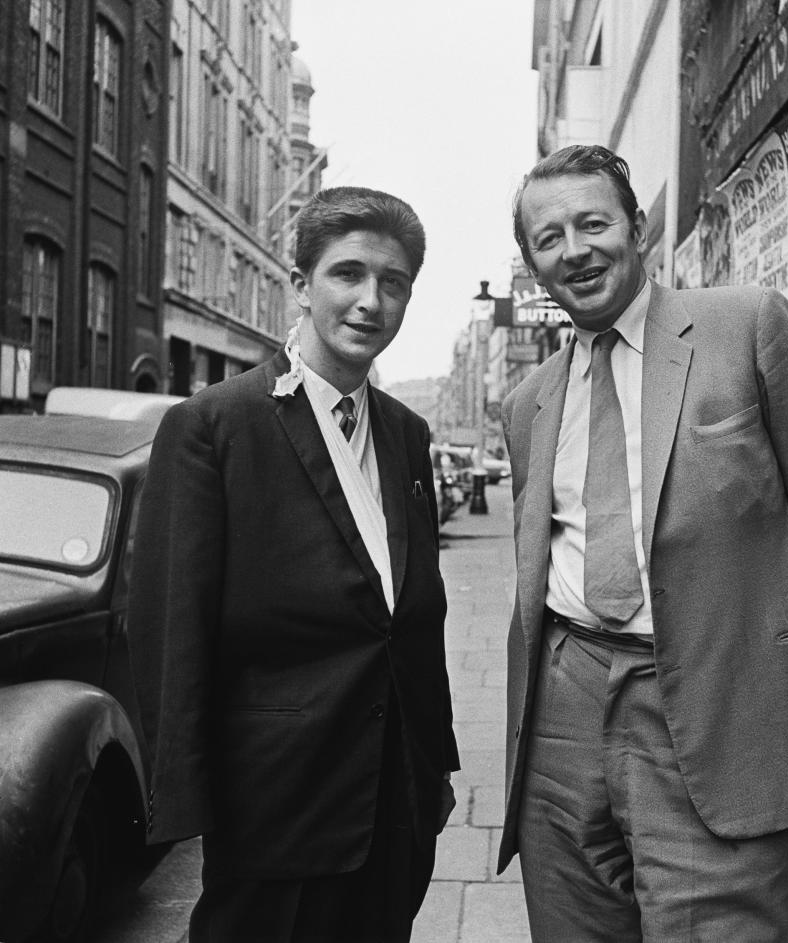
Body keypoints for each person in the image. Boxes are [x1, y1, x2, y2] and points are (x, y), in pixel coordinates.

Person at [497, 145, 788, 941]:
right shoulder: (528, 401)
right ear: (532, 263)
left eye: (593, 223)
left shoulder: (747, 325)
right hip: (564, 704)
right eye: (549, 237)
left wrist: (761, 661)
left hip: (708, 697)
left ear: (636, 228)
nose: (575, 249)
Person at [128, 186, 458, 943]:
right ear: (301, 282)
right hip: (275, 814)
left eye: (394, 282)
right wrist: (187, 807)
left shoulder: (406, 434)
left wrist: (432, 767)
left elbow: (416, 613)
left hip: (394, 811)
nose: (371, 300)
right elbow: (173, 628)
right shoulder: (215, 425)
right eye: (348, 274)